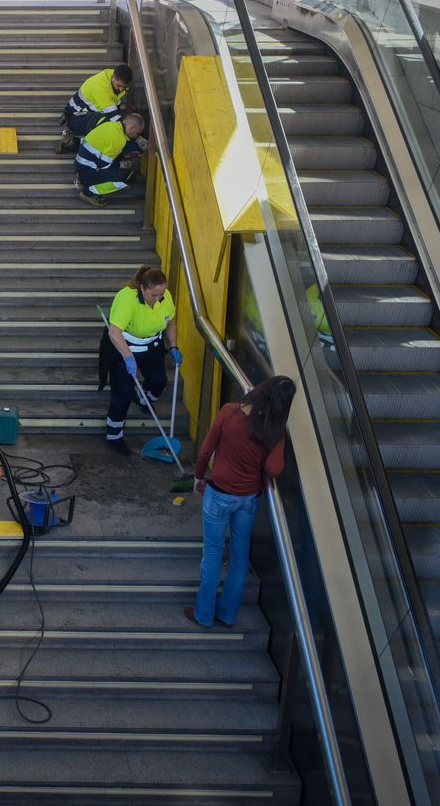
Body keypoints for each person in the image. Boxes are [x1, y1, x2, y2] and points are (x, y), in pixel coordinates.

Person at [186, 375, 296, 629]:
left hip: (219, 493)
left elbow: (205, 450)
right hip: (248, 499)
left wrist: (199, 477)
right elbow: (275, 467)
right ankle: (228, 614)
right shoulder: (274, 429)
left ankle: (204, 614)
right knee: (239, 557)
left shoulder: (230, 412)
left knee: (212, 553)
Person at [99, 264, 179, 455]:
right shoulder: (127, 299)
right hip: (123, 347)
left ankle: (144, 398)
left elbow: (171, 321)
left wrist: (174, 345)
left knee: (159, 381)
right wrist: (128, 357)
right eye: (154, 295)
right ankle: (114, 436)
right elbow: (114, 332)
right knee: (123, 394)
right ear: (142, 288)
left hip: (152, 346)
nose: (158, 298)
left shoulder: (164, 297)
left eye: (162, 293)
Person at [56, 63, 133, 154]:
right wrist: (132, 139)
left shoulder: (113, 78)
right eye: (119, 85)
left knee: (111, 128)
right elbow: (114, 117)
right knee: (108, 125)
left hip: (89, 114)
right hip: (75, 118)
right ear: (113, 78)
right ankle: (72, 142)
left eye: (124, 87)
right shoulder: (100, 86)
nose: (121, 89)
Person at [74, 112, 147, 206]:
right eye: (137, 133)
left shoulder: (111, 125)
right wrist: (124, 166)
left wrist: (123, 157)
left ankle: (82, 178)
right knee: (128, 177)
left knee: (116, 167)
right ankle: (88, 192)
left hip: (82, 164)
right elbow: (104, 166)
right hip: (89, 170)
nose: (135, 136)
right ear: (131, 128)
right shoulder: (119, 139)